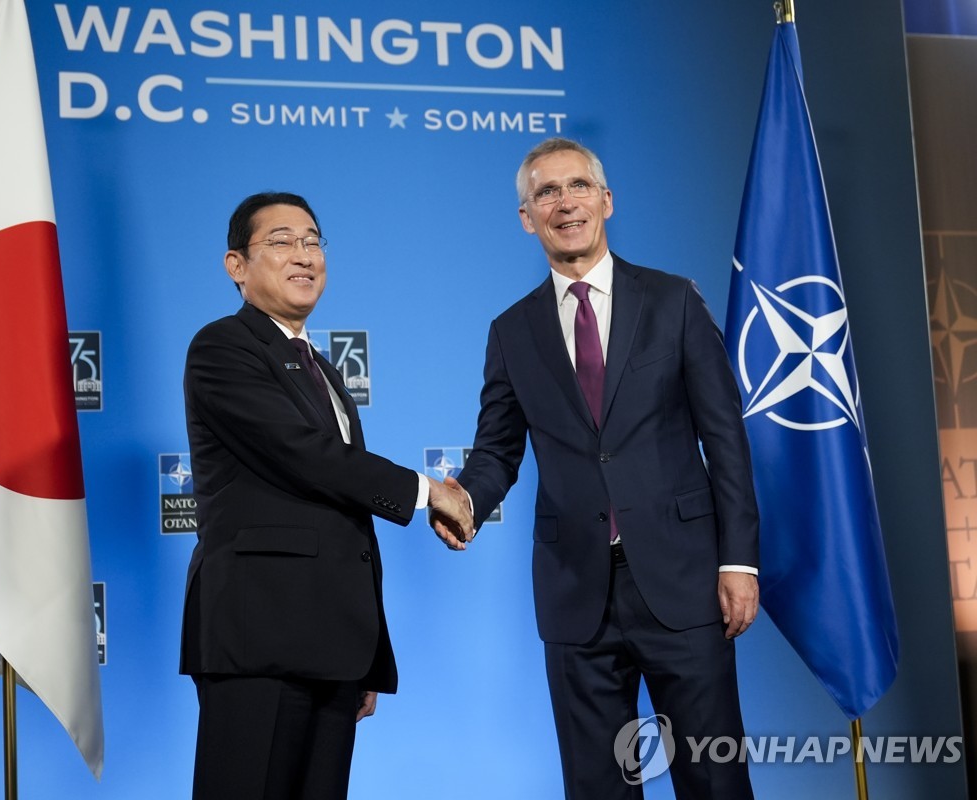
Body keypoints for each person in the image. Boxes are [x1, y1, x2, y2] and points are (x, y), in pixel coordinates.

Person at [440, 138, 760, 798]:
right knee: (599, 787)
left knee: (714, 779)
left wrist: (739, 561)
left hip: (683, 582)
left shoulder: (673, 302)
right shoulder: (511, 330)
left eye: (578, 186)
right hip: (575, 592)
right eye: (547, 193)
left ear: (606, 201)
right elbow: (498, 448)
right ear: (527, 217)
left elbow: (725, 438)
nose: (566, 203)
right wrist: (467, 500)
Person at [180, 191, 474, 800]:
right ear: (236, 265)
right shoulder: (223, 347)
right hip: (258, 640)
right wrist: (425, 493)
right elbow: (304, 456)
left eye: (313, 241)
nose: (303, 255)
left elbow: (341, 519)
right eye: (281, 241)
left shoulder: (319, 364)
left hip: (331, 648)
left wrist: (364, 654)